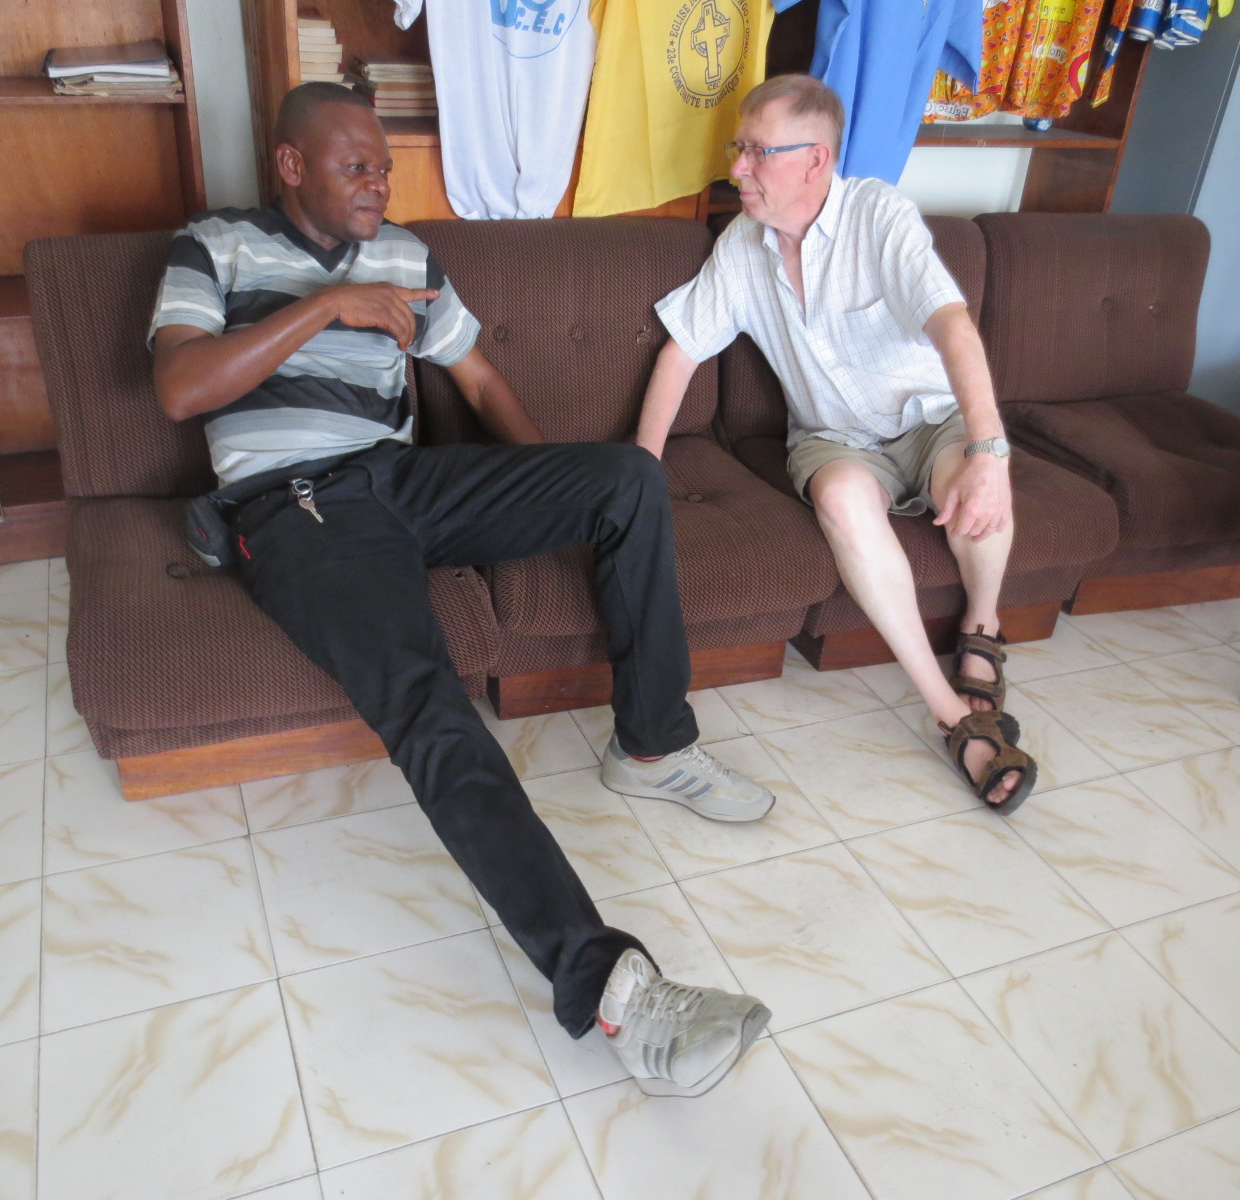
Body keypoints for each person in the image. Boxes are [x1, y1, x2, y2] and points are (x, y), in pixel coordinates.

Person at [148, 82, 772, 1096]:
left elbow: (478, 382)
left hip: (408, 483)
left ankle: (652, 745)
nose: (378, 185)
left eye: (385, 169)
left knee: (625, 478)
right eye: (356, 167)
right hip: (296, 504)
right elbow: (181, 389)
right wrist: (325, 308)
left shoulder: (406, 255)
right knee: (426, 701)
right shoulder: (212, 246)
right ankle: (609, 990)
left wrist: (543, 490)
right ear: (291, 165)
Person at [637, 74, 1037, 814]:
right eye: (738, 149)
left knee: (976, 478)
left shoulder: (878, 215)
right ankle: (951, 713)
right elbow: (679, 355)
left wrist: (991, 453)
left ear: (815, 159)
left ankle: (982, 622)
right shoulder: (741, 245)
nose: (738, 168)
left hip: (929, 418)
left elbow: (952, 325)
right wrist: (640, 474)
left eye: (757, 152)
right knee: (846, 499)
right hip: (834, 441)